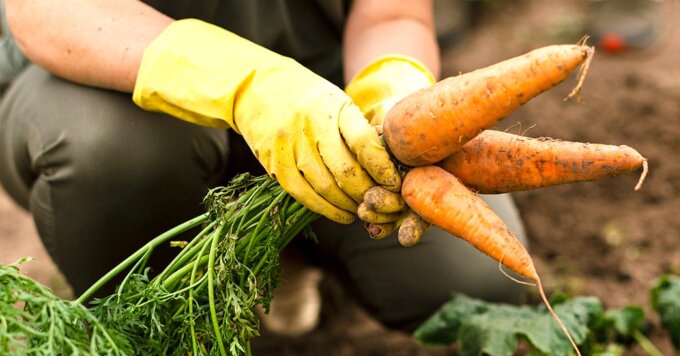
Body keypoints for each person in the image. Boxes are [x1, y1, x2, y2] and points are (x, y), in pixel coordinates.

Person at [0, 0, 526, 333]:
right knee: (108, 154)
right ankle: (152, 341)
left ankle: (284, 256)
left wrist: (389, 100)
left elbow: (393, 14)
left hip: (325, 97)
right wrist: (246, 81)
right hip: (115, 89)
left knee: (476, 283)